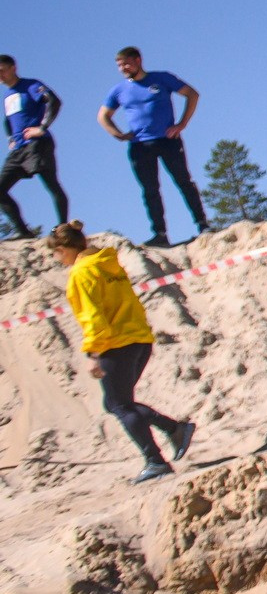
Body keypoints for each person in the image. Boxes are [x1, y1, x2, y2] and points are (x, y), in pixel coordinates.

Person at [48, 221, 196, 482]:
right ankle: (174, 429)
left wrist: (93, 353)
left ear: (64, 248)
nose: (56, 259)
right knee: (117, 402)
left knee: (119, 404)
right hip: (139, 337)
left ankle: (157, 459)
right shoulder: (107, 263)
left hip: (116, 343)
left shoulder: (81, 273)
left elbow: (94, 317)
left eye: (55, 253)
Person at [96, 48, 206, 247]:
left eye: (126, 64)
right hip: (140, 145)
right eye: (120, 66)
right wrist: (118, 134)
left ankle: (203, 224)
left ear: (138, 60)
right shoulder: (119, 90)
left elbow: (192, 94)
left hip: (167, 140)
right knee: (150, 190)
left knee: (184, 181)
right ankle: (160, 234)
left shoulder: (161, 78)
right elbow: (103, 115)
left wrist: (182, 124)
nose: (123, 68)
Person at [0, 55, 69, 239]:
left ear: (13, 68)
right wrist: (10, 138)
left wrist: (43, 127)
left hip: (37, 145)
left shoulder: (30, 85)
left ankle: (63, 229)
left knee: (51, 184)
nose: (0, 76)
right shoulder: (7, 96)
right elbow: (8, 121)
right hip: (18, 150)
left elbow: (54, 101)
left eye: (2, 70)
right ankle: (24, 232)